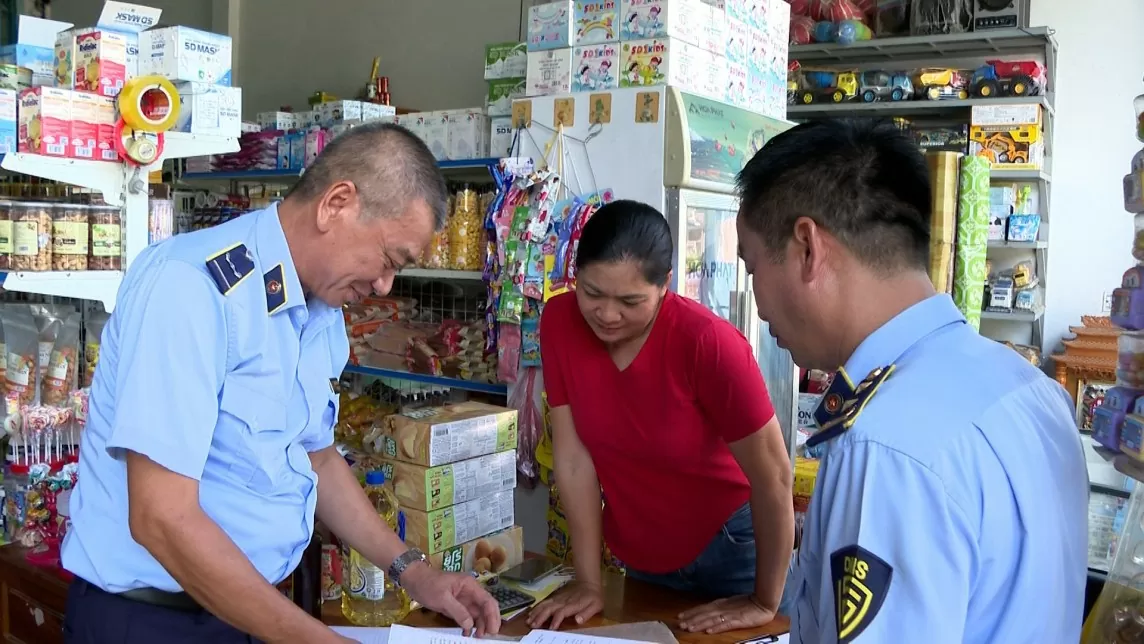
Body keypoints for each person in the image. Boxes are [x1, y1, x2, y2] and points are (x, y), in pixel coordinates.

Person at [60, 122, 501, 644]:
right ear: (336, 203)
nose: (384, 285)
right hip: (154, 622)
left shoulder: (320, 309)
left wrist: (415, 571)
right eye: (389, 260)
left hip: (250, 612)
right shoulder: (191, 288)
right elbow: (161, 516)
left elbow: (314, 456)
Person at [735, 118, 1088, 642]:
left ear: (808, 248)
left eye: (753, 268)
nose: (758, 302)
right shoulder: (1030, 387)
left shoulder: (883, 446)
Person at [528, 200, 794, 635]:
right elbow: (574, 459)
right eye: (592, 293)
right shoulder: (559, 322)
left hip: (733, 548)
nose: (607, 315)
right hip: (643, 551)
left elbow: (774, 476)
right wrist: (589, 580)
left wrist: (765, 601)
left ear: (666, 286)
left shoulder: (707, 343)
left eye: (630, 301)